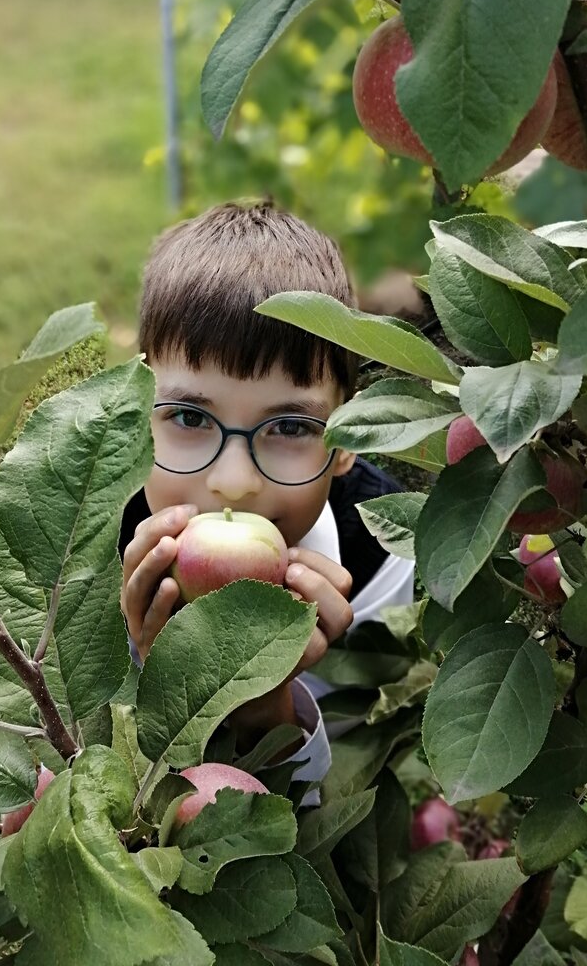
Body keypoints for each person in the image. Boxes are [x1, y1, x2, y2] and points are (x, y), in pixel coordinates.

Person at [119, 200, 414, 784]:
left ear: (348, 435)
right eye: (187, 417)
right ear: (134, 413)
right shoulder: (95, 538)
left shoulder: (382, 552)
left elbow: (335, 802)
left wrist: (266, 707)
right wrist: (144, 669)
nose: (233, 481)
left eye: (289, 427)